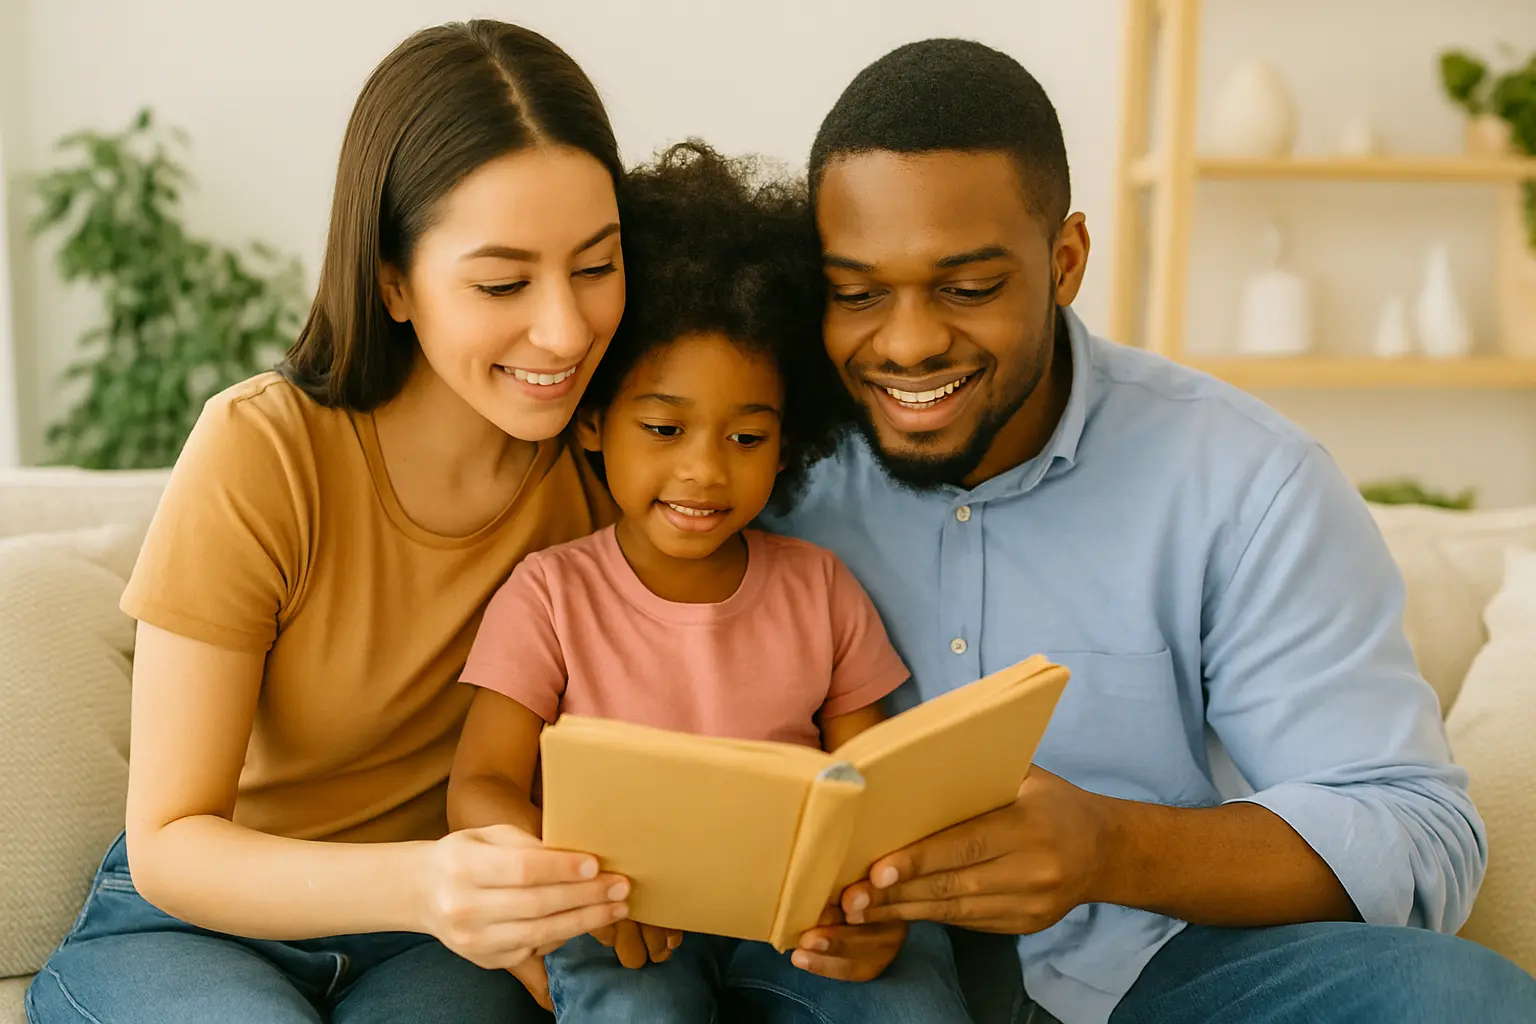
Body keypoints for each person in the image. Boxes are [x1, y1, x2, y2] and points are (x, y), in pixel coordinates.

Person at [759, 38, 1536, 1024]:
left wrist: (1111, 849)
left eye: (968, 288)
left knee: (1463, 1000)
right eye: (858, 293)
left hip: (1155, 973)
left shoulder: (1245, 479)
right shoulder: (759, 457)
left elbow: (1413, 830)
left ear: (1066, 261)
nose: (908, 343)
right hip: (853, 975)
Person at [27, 20, 637, 1024]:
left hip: (438, 945)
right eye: (502, 282)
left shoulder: (616, 469)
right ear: (392, 278)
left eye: (597, 266)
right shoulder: (263, 450)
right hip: (198, 923)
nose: (565, 328)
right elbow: (173, 839)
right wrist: (426, 882)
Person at [446, 141, 973, 1024]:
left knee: (906, 995)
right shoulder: (549, 596)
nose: (703, 470)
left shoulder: (821, 589)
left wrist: (865, 908)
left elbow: (870, 787)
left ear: (788, 442)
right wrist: (576, 885)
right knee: (635, 1006)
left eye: (746, 438)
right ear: (593, 422)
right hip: (621, 916)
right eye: (663, 429)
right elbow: (480, 786)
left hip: (793, 922)